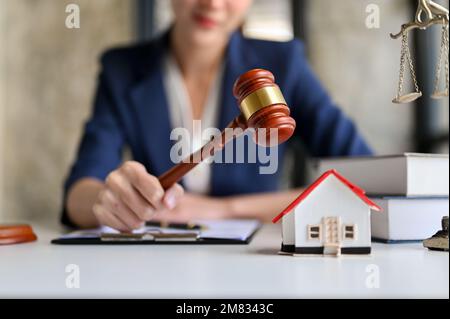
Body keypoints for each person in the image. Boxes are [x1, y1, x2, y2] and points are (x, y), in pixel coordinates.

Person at [63, 0, 372, 232]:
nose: (212, 3)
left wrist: (224, 210)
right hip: (156, 266)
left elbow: (366, 180)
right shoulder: (121, 70)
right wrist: (109, 199)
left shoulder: (284, 62)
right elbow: (78, 194)